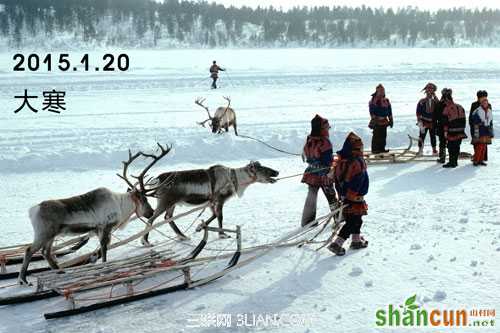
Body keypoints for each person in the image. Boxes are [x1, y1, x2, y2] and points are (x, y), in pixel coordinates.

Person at [328, 132, 369, 256]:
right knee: (352, 223)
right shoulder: (357, 162)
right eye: (359, 147)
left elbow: (337, 181)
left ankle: (356, 241)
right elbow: (358, 180)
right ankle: (337, 244)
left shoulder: (341, 162)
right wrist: (351, 194)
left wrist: (342, 194)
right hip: (354, 197)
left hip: (347, 196)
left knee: (357, 220)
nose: (361, 149)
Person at [301, 115, 338, 227]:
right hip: (324, 174)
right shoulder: (324, 142)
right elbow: (327, 161)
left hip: (311, 172)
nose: (328, 130)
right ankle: (338, 218)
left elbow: (307, 155)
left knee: (311, 196)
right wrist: (334, 164)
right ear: (322, 129)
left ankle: (308, 221)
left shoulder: (309, 139)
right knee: (331, 196)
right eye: (327, 128)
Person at [441, 89, 467, 168]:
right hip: (460, 131)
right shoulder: (460, 106)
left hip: (452, 132)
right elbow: (464, 119)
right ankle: (455, 161)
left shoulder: (446, 109)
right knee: (457, 147)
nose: (444, 103)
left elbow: (445, 122)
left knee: (451, 147)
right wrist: (462, 129)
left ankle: (451, 162)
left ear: (447, 100)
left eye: (444, 101)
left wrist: (445, 131)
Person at [369, 84, 393, 154]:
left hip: (384, 121)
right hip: (377, 121)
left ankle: (382, 148)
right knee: (376, 136)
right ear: (377, 91)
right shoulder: (374, 100)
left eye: (383, 91)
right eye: (380, 91)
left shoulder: (386, 100)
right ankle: (375, 149)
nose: (382, 92)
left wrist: (391, 119)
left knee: (383, 135)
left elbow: (389, 110)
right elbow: (371, 110)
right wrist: (374, 118)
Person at [416, 83, 439, 156]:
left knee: (433, 136)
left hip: (432, 122)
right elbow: (418, 112)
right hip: (424, 122)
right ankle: (420, 150)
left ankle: (434, 150)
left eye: (431, 90)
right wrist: (419, 122)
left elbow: (440, 107)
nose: (429, 92)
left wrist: (435, 96)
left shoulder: (435, 101)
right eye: (428, 90)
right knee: (422, 136)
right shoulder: (422, 101)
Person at [470, 98, 494, 166]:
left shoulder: (489, 110)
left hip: (487, 130)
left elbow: (490, 121)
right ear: (481, 103)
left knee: (484, 146)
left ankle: (481, 160)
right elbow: (474, 119)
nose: (485, 104)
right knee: (479, 146)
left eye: (486, 103)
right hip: (479, 129)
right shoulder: (477, 110)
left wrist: (491, 130)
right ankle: (476, 160)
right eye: (483, 103)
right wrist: (480, 122)